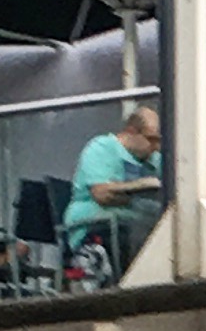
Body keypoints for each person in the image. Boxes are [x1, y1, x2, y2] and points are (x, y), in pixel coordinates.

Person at [65, 106, 163, 279]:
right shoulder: (102, 148)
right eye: (151, 139)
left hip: (139, 225)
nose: (156, 147)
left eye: (159, 141)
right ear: (131, 132)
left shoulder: (156, 161)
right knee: (134, 238)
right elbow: (102, 195)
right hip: (97, 225)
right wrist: (139, 187)